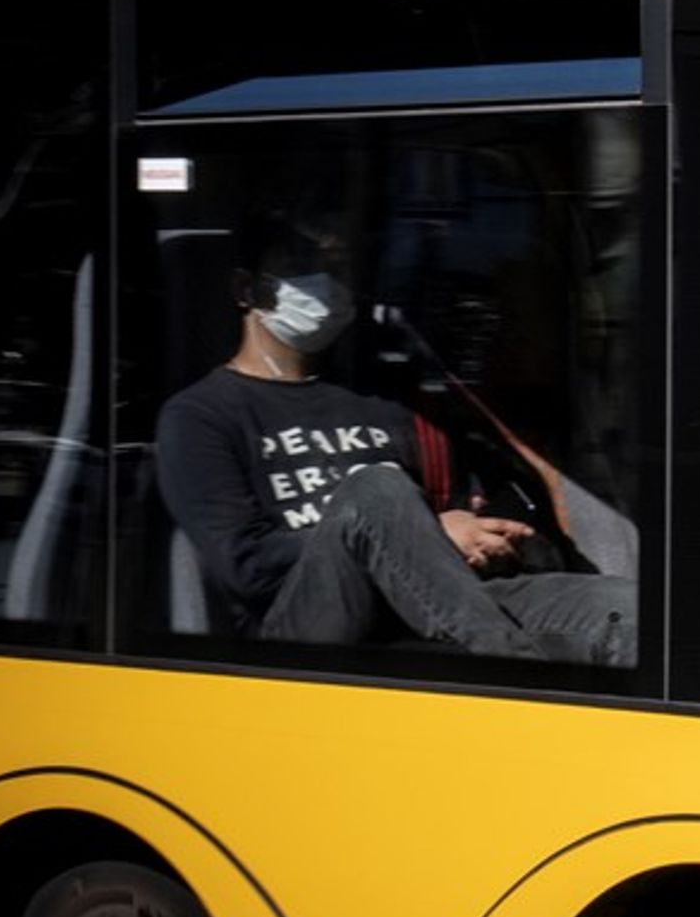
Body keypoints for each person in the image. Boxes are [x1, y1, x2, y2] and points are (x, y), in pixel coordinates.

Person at [156, 209, 635, 664]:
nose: (327, 282)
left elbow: (454, 509)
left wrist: (480, 533)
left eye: (337, 268)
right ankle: (512, 671)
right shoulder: (200, 416)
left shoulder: (382, 399)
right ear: (245, 289)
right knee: (375, 491)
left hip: (430, 602)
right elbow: (248, 565)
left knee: (624, 608)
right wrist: (422, 535)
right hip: (305, 628)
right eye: (303, 266)